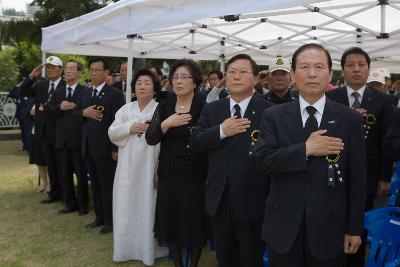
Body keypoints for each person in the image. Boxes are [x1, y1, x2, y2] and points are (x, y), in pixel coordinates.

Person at [253, 43, 367, 267]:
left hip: (330, 228)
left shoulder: (350, 119)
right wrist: (305, 149)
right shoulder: (273, 116)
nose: (312, 73)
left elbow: (358, 179)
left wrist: (354, 228)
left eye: (319, 67)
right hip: (283, 228)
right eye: (304, 67)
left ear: (330, 73)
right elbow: (262, 161)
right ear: (293, 74)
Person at [191, 54, 274, 267]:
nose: (236, 76)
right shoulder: (213, 109)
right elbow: (195, 143)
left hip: (253, 197)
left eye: (243, 72)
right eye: (231, 72)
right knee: (225, 257)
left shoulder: (269, 111)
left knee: (250, 256)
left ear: (255, 79)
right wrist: (221, 130)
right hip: (219, 197)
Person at [145, 59, 207, 267]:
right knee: (170, 220)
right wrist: (166, 123)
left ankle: (194, 264)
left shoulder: (204, 105)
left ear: (195, 82)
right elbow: (150, 138)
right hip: (169, 173)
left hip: (196, 173)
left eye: (184, 77)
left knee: (195, 220)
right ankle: (178, 264)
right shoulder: (164, 105)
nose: (178, 82)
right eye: (175, 77)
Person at [109, 69, 168, 265]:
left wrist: (159, 170)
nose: (142, 86)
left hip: (149, 167)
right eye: (139, 83)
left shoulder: (161, 109)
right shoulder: (126, 110)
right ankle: (125, 249)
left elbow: (166, 142)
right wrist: (129, 128)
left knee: (147, 207)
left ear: (155, 88)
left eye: (147, 83)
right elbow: (112, 132)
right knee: (126, 206)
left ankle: (148, 251)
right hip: (126, 168)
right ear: (134, 88)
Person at [76, 57, 125, 234]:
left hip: (105, 148)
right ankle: (99, 217)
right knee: (95, 184)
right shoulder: (85, 94)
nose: (94, 73)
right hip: (88, 146)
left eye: (98, 70)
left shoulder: (115, 94)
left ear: (106, 73)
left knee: (107, 185)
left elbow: (118, 122)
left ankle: (110, 221)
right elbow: (75, 116)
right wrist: (84, 112)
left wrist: (114, 148)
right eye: (92, 70)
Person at [19, 56, 66, 204]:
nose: (51, 70)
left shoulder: (66, 85)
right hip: (44, 131)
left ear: (60, 69)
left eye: (54, 67)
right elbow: (23, 91)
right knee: (50, 163)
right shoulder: (41, 85)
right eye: (49, 67)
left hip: (60, 131)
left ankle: (65, 193)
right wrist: (32, 76)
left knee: (62, 164)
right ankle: (53, 194)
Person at [48, 60, 89, 215]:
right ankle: (69, 203)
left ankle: (83, 205)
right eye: (66, 69)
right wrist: (60, 107)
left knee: (81, 173)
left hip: (78, 139)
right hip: (62, 139)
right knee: (64, 173)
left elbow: (85, 113)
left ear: (79, 73)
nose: (68, 71)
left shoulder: (85, 91)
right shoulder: (58, 92)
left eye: (72, 69)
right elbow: (49, 112)